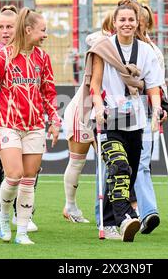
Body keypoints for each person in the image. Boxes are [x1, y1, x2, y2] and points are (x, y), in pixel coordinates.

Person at [87, 0, 164, 242]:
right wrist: (98, 107)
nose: (127, 24)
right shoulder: (103, 48)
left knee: (126, 172)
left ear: (137, 22)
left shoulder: (146, 51)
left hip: (136, 119)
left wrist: (157, 109)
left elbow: (152, 86)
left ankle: (112, 221)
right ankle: (124, 217)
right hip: (109, 118)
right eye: (122, 20)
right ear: (114, 22)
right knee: (118, 165)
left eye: (131, 20)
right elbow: (95, 84)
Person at [0, 7, 61, 245]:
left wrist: (54, 120)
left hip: (35, 125)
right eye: (43, 30)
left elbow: (48, 92)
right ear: (28, 30)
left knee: (29, 178)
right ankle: (4, 217)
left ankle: (23, 231)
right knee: (14, 175)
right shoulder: (1, 57)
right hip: (8, 124)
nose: (45, 35)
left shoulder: (42, 58)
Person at [0, 5, 38, 233]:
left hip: (23, 124)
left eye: (9, 26)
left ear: (19, 29)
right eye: (0, 26)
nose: (4, 31)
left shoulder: (28, 53)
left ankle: (24, 215)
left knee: (27, 172)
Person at [130, 0, 168, 234]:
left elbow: (157, 83)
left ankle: (145, 211)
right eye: (139, 18)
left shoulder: (150, 47)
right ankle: (127, 210)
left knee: (142, 163)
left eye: (143, 19)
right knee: (124, 163)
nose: (141, 22)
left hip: (149, 107)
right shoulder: (122, 44)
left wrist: (166, 108)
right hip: (126, 108)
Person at [61, 12, 115, 225]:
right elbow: (90, 38)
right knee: (77, 162)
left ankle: (115, 209)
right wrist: (106, 35)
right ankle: (70, 205)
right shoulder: (101, 43)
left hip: (108, 112)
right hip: (83, 110)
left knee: (111, 160)